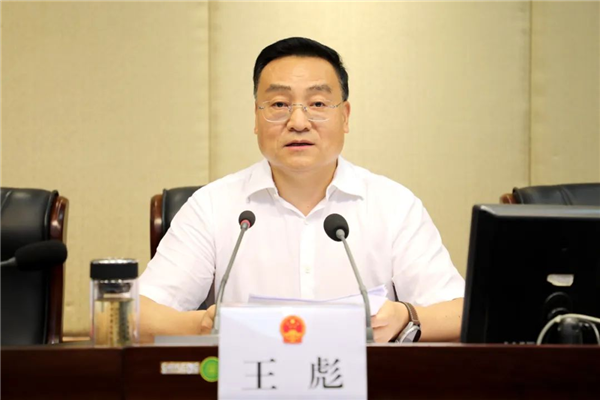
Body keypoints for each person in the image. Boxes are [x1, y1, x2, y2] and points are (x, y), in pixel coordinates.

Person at [139, 37, 465, 344]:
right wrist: (203, 325)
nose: (297, 122)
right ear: (256, 118)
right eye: (279, 104)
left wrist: (406, 317)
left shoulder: (393, 205)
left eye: (317, 103)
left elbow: (460, 312)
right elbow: (136, 314)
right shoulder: (212, 206)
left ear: (345, 116)